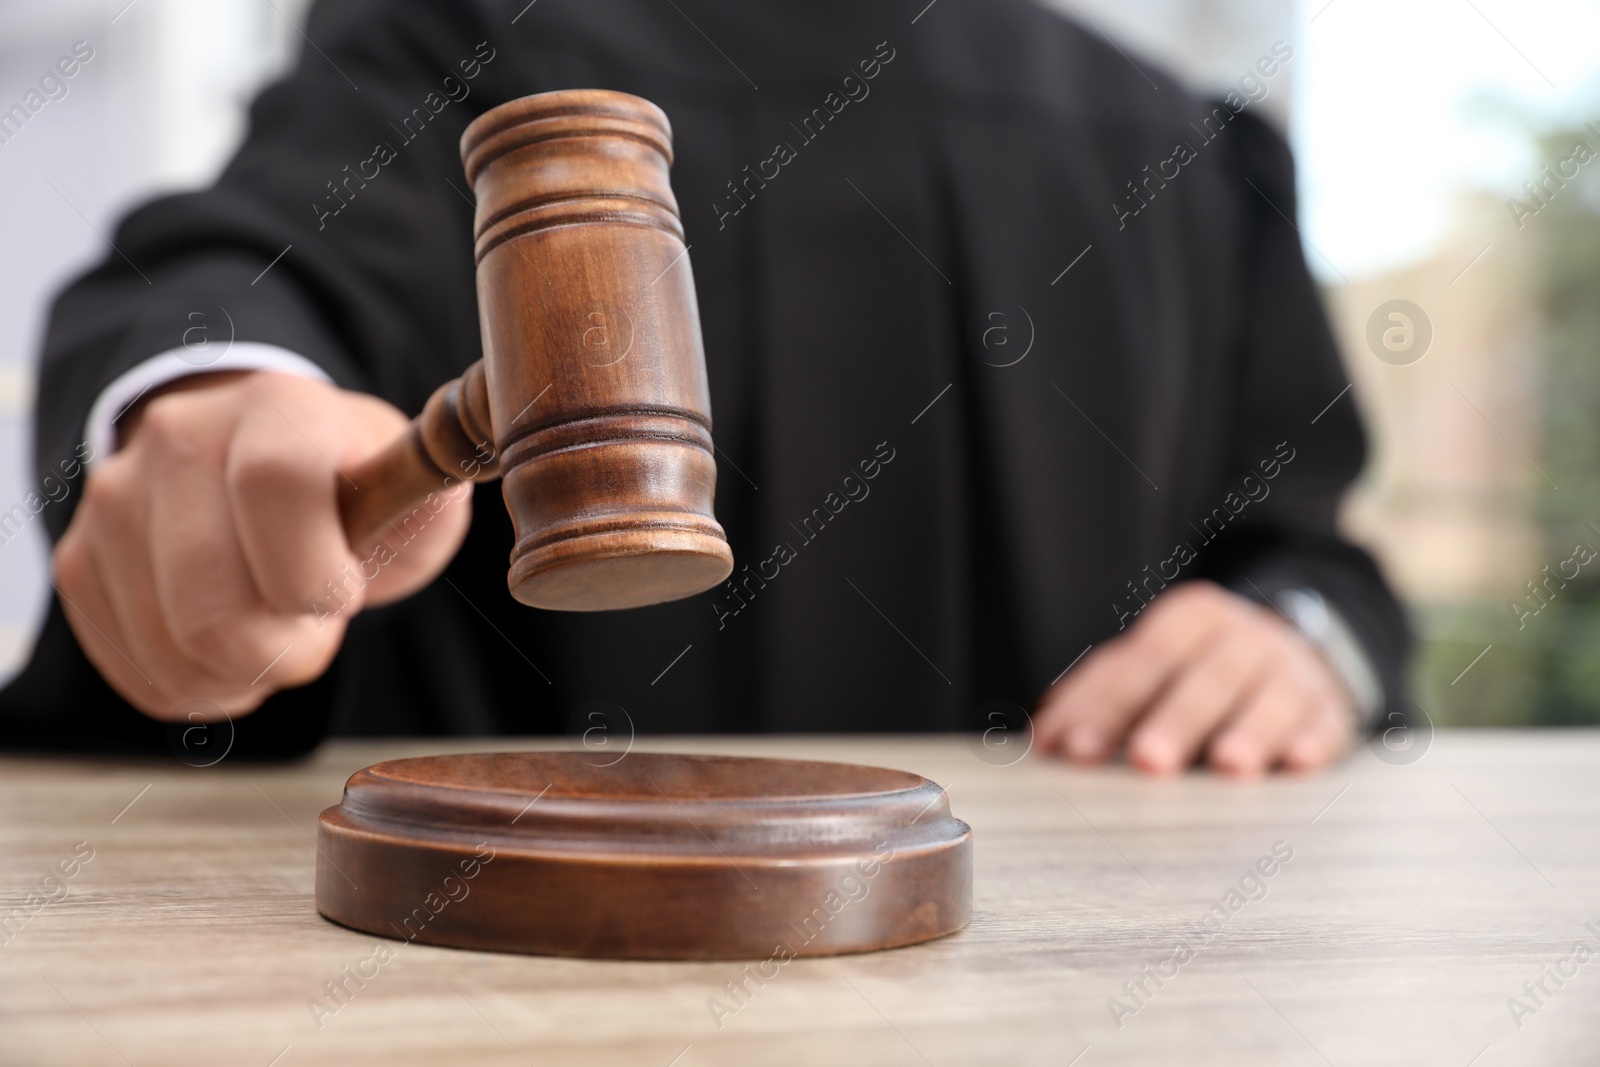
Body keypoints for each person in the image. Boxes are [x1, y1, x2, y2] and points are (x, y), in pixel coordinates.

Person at [0, 0, 1410, 775]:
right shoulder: (452, 55)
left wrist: (1285, 639)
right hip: (482, 1008)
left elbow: (1306, 551)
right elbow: (222, 282)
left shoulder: (1179, 150)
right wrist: (220, 399)